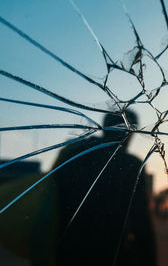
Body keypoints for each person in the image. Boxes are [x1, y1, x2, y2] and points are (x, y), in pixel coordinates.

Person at [50, 110, 157, 266]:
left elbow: (51, 199)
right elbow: (141, 220)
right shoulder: (130, 164)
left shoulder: (73, 156)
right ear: (130, 132)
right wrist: (149, 259)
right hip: (111, 252)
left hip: (68, 250)